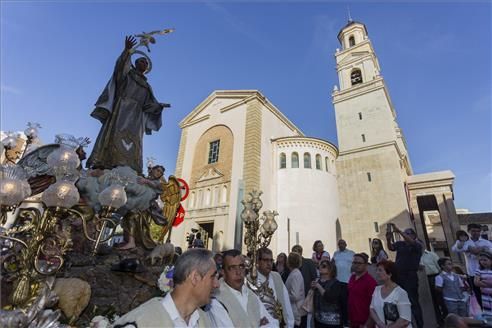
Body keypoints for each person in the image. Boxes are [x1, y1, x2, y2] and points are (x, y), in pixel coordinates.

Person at [87, 36, 167, 175]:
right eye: (142, 61)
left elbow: (148, 105)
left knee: (134, 140)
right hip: (122, 109)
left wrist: (159, 107)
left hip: (137, 118)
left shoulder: (147, 86)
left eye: (146, 63)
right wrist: (126, 51)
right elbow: (119, 68)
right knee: (115, 133)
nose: (144, 63)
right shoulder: (127, 75)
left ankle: (131, 166)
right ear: (135, 64)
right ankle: (108, 162)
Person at [113, 248, 218, 327]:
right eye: (213, 277)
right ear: (195, 277)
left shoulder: (204, 321)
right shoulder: (142, 322)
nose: (216, 284)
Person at [211, 249, 278, 327]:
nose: (238, 272)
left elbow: (273, 323)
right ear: (223, 272)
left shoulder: (250, 294)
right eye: (232, 268)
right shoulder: (217, 300)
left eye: (241, 266)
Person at [386, 224, 424, 328]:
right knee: (399, 300)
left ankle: (419, 325)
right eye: (405, 233)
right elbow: (391, 247)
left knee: (413, 301)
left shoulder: (417, 245)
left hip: (410, 275)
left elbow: (412, 242)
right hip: (398, 275)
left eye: (408, 233)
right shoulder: (400, 244)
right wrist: (388, 239)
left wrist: (398, 230)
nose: (405, 235)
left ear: (413, 235)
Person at [452, 223, 492, 307]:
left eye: (478, 231)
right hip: (473, 272)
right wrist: (481, 249)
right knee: (478, 296)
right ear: (469, 231)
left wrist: (473, 249)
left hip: (487, 272)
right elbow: (455, 249)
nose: (476, 233)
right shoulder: (464, 242)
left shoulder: (486, 242)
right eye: (473, 231)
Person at [256, 248, 295, 328]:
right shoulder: (251, 280)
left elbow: (286, 302)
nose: (269, 263)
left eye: (271, 260)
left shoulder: (276, 277)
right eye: (265, 260)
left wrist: (290, 324)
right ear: (257, 262)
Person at [370, 260, 413, 328]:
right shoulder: (377, 290)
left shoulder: (400, 293)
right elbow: (372, 309)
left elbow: (405, 320)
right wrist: (379, 323)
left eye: (380, 270)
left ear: (389, 274)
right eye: (377, 270)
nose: (377, 273)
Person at [311, 259, 347, 328]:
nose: (320, 267)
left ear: (331, 269)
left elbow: (330, 298)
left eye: (324, 266)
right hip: (318, 320)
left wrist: (318, 286)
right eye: (319, 266)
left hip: (332, 322)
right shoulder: (317, 281)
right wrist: (312, 289)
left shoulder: (336, 283)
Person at [347, 253, 377, 328]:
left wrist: (368, 324)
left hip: (364, 322)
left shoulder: (370, 282)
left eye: (359, 263)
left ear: (366, 265)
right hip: (352, 321)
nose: (356, 265)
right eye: (354, 263)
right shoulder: (352, 278)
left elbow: (374, 305)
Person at [292, 244, 318, 328]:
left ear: (301, 252)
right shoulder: (291, 265)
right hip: (294, 298)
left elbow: (314, 277)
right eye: (294, 251)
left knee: (305, 320)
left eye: (297, 251)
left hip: (306, 296)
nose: (296, 253)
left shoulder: (308, 262)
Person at [421, 248, 446, 323]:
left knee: (440, 298)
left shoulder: (431, 254)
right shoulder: (414, 256)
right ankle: (438, 319)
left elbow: (439, 266)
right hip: (423, 279)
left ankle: (446, 317)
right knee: (431, 300)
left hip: (434, 277)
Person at [285, 252, 305, 327]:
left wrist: (284, 296)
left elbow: (295, 296)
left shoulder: (295, 275)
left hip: (295, 311)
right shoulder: (294, 273)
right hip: (293, 309)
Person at [474, 252, 492, 316]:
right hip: (485, 296)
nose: (483, 262)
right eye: (481, 260)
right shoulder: (479, 270)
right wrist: (490, 284)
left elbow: (480, 282)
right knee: (488, 313)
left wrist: (484, 282)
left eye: (485, 260)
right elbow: (476, 282)